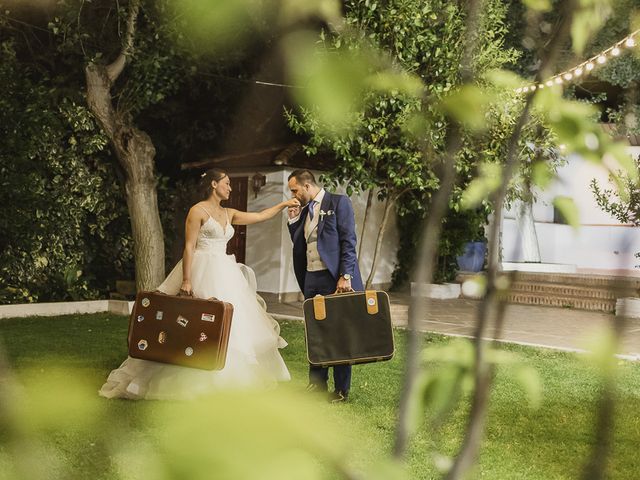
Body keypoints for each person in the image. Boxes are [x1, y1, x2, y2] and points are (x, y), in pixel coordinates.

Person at [99, 168, 299, 400]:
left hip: (225, 271)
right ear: (214, 184)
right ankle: (181, 377)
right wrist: (186, 279)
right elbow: (189, 247)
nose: (230, 187)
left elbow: (260, 216)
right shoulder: (197, 211)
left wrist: (283, 205)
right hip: (202, 269)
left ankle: (227, 379)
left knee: (232, 326)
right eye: (226, 183)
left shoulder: (229, 212)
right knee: (192, 326)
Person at [286, 169, 363, 403]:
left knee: (339, 333)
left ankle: (341, 390)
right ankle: (316, 384)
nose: (293, 195)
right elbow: (301, 243)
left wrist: (346, 276)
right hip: (311, 277)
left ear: (307, 186)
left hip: (333, 278)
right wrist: (293, 220)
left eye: (295, 190)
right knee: (315, 332)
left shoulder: (339, 203)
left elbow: (348, 241)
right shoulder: (304, 210)